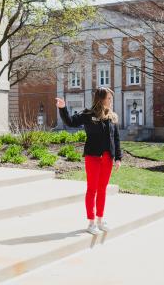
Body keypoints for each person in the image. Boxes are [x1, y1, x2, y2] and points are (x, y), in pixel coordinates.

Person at [56, 87, 122, 235]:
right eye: (108, 98)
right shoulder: (88, 114)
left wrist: (118, 157)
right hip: (93, 157)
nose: (110, 101)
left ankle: (100, 219)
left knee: (103, 189)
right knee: (92, 189)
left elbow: (116, 139)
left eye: (111, 99)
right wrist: (63, 108)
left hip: (107, 158)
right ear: (101, 99)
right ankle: (91, 222)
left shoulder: (112, 117)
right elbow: (71, 122)